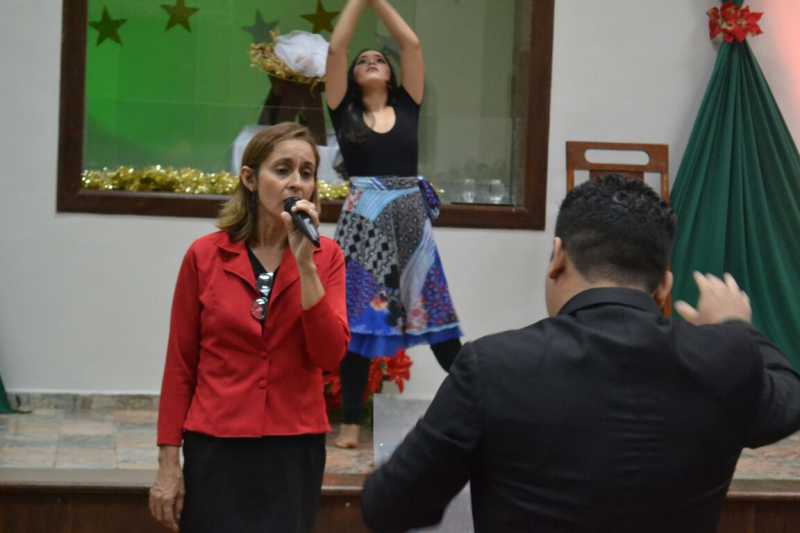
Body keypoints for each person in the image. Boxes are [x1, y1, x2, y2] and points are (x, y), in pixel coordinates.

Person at [361, 175, 800, 533]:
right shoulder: (726, 362)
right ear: (665, 286)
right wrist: (736, 327)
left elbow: (390, 506)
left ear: (557, 258)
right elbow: (788, 400)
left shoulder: (493, 365)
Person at [148, 122, 349, 533]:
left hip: (293, 447)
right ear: (250, 179)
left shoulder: (326, 257)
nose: (296, 183)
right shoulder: (204, 256)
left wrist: (305, 266)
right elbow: (180, 365)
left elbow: (330, 355)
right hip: (216, 444)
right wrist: (168, 462)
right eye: (282, 170)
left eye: (307, 173)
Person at [326, 0, 463, 449]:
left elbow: (412, 44)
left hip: (409, 223)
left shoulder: (409, 104)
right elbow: (337, 48)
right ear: (352, 77)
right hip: (362, 227)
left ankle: (483, 403)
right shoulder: (342, 109)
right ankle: (349, 423)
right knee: (359, 326)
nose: (370, 61)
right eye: (363, 61)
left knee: (436, 317)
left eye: (379, 60)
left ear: (391, 75)